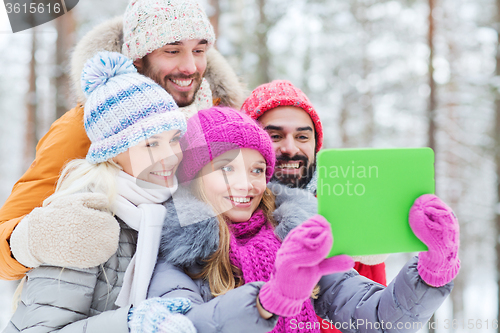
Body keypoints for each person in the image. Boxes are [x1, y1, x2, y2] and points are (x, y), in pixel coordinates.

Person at [147, 106, 459, 333]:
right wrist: (268, 300)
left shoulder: (295, 241)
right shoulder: (176, 259)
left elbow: (377, 320)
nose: (246, 184)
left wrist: (433, 270)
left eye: (256, 169)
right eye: (226, 168)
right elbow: (183, 326)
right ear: (193, 177)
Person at [0, 0, 246, 280]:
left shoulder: (220, 117)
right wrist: (38, 239)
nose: (190, 66)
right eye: (172, 50)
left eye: (199, 50)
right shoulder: (87, 127)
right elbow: (4, 243)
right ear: (138, 57)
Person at [4, 51, 200, 333]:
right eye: (151, 144)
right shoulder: (81, 221)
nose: (170, 156)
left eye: (174, 140)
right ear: (112, 152)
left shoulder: (166, 211)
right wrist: (131, 323)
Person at [240, 81, 387, 281]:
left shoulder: (345, 215)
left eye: (302, 137)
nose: (290, 148)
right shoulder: (226, 215)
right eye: (275, 136)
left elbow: (376, 306)